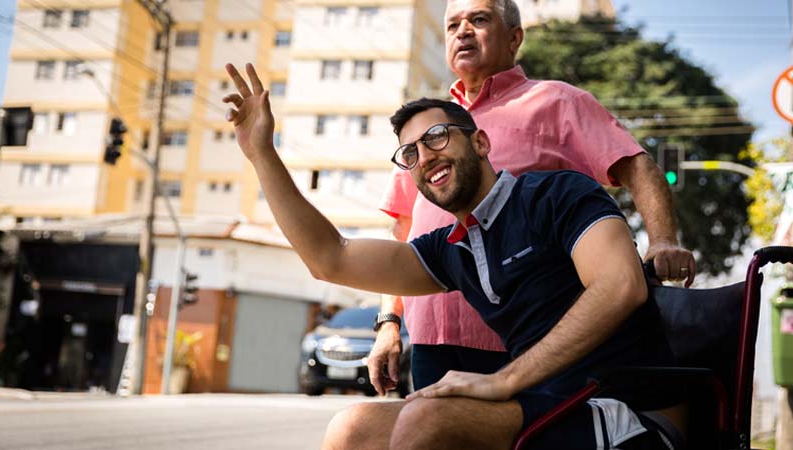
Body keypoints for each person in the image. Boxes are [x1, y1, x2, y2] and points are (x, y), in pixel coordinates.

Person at [222, 66, 684, 449]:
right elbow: (331, 258)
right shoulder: (452, 248)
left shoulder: (556, 194)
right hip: (548, 407)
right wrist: (261, 153)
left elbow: (621, 286)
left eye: (437, 137)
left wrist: (504, 380)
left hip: (629, 411)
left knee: (429, 420)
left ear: (480, 143)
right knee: (352, 430)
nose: (424, 156)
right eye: (410, 152)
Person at [372, 0, 697, 398]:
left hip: (527, 342)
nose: (463, 31)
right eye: (453, 25)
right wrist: (389, 323)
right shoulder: (429, 131)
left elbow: (637, 166)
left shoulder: (556, 101)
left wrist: (662, 240)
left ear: (515, 38)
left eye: (479, 19)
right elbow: (403, 229)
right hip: (432, 338)